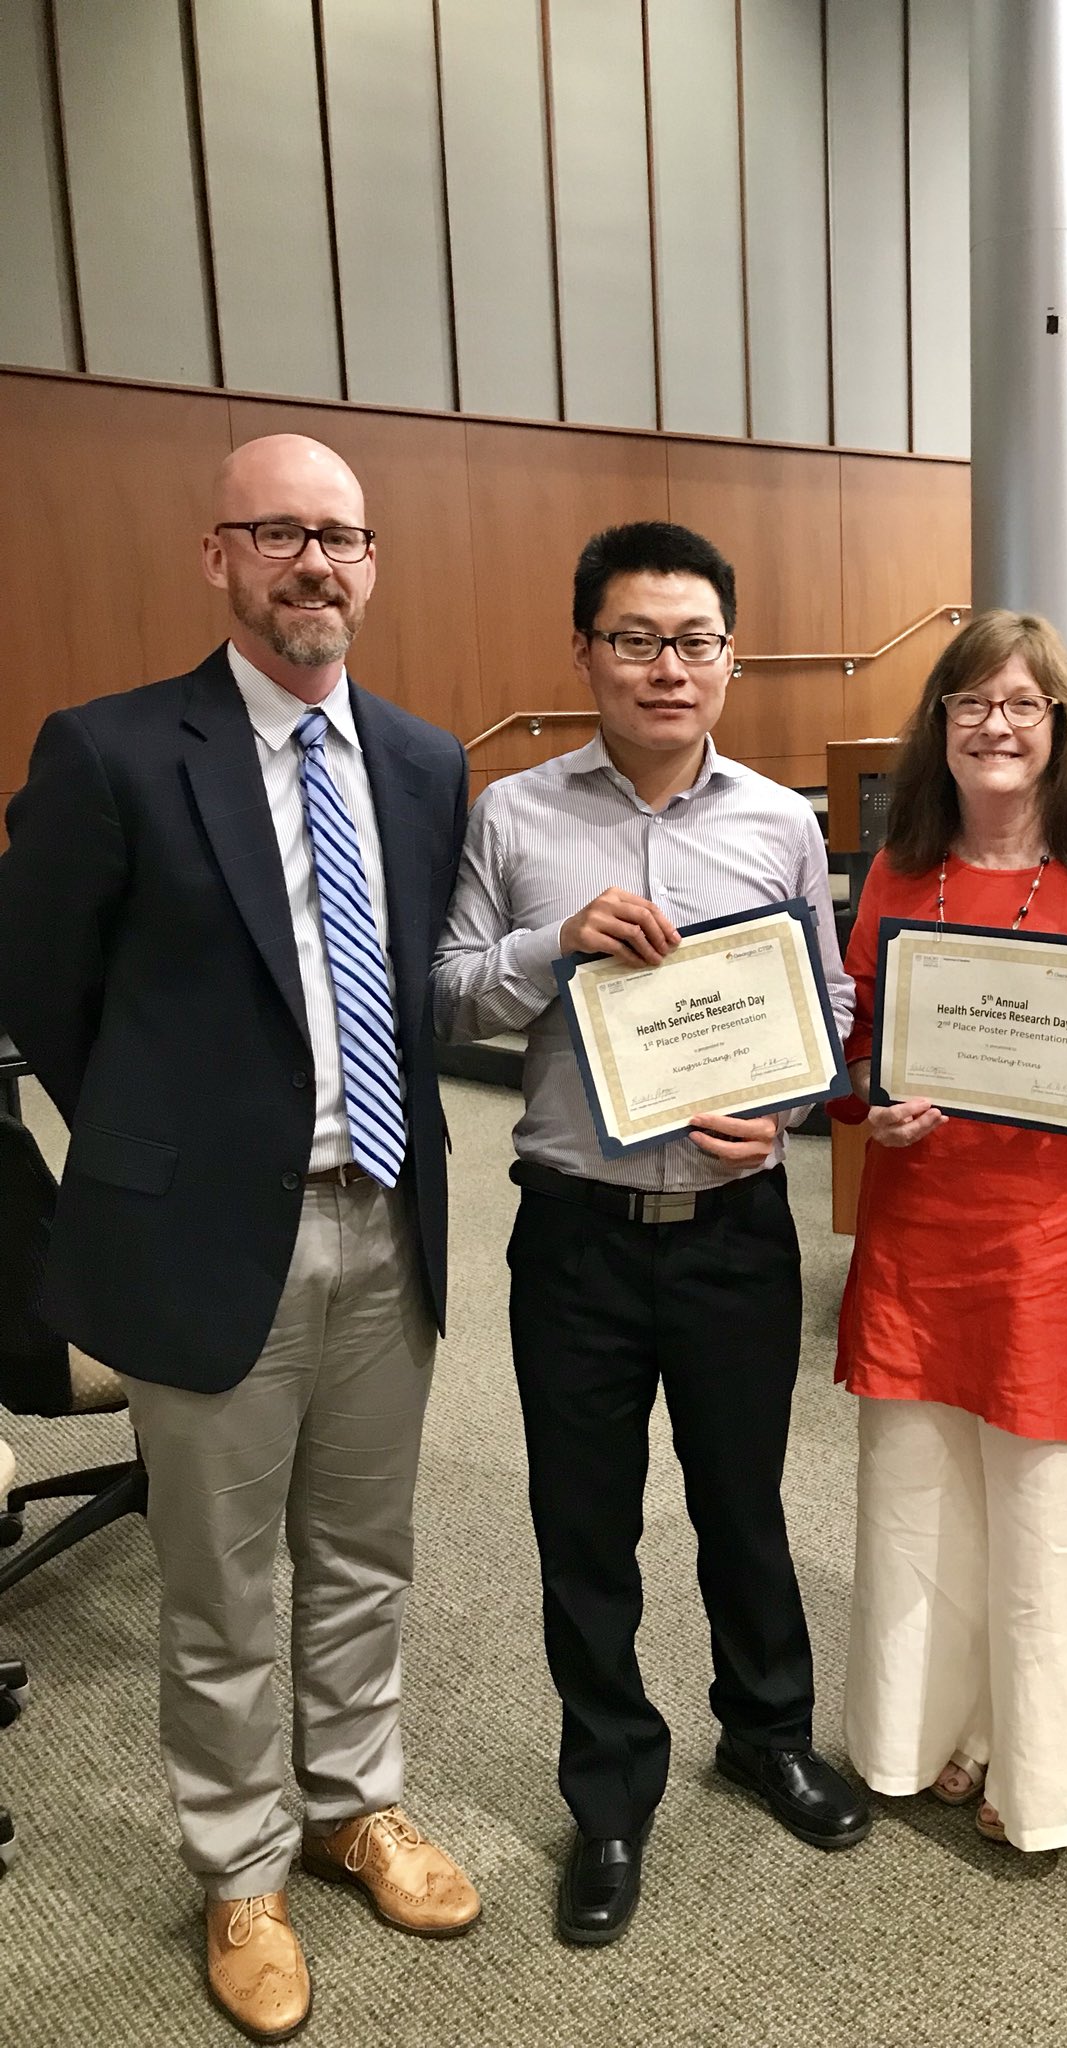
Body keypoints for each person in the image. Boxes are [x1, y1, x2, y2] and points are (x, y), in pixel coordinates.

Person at [0, 436, 477, 2040]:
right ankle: (240, 1864)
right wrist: (160, 1150)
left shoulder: (418, 762)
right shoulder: (116, 749)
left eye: (340, 538)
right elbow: (42, 988)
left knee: (366, 1557)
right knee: (220, 1582)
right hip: (209, 1243)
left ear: (371, 565)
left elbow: (414, 991)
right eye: (279, 534)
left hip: (385, 1222)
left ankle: (355, 1805)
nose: (314, 565)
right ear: (219, 556)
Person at [432, 520, 868, 1946]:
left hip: (738, 1228)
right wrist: (552, 946)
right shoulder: (512, 816)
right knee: (584, 1525)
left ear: (728, 659)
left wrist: (793, 1111)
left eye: (694, 643)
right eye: (636, 640)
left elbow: (833, 1008)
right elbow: (445, 1001)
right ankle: (610, 1793)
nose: (667, 668)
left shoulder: (779, 820)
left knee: (744, 1502)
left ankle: (768, 1731)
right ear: (586, 654)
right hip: (577, 1236)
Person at [832, 610, 1067, 1854]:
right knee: (922, 1497)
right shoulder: (894, 874)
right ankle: (929, 1731)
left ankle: (1032, 1761)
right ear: (940, 726)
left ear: (1062, 730)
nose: (997, 724)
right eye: (972, 702)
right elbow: (858, 1049)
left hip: (1055, 1243)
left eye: (1025, 704)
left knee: (1047, 1511)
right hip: (919, 1232)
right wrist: (872, 1098)